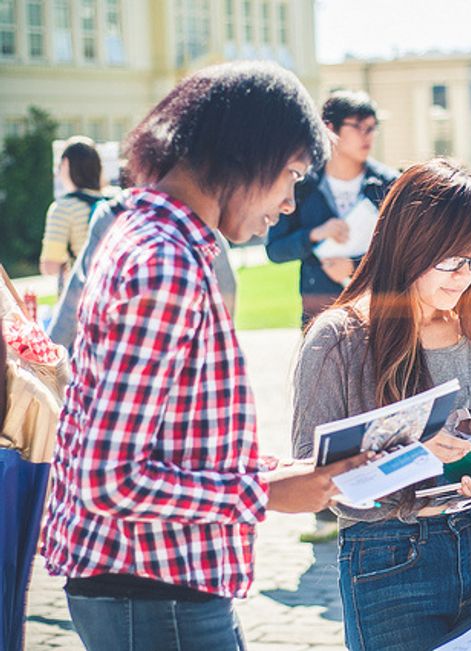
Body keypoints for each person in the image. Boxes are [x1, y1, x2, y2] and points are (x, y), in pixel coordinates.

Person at [40, 61, 369, 651]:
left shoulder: (162, 242)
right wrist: (264, 495)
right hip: (149, 587)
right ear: (244, 157)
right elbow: (109, 479)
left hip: (157, 583)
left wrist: (273, 473)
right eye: (291, 176)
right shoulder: (164, 263)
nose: (291, 203)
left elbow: (167, 440)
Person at [291, 158, 471, 651]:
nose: (466, 276)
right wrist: (417, 457)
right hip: (388, 559)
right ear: (409, 244)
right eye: (452, 261)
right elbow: (311, 476)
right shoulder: (338, 340)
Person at [46, 181, 238, 351]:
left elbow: (75, 296)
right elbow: (227, 286)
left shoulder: (114, 213)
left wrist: (51, 358)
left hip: (121, 355)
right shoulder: (196, 217)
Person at [266, 90, 398, 327]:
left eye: (371, 127)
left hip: (378, 311)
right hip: (319, 312)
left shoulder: (390, 184)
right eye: (358, 126)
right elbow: (275, 250)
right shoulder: (300, 185)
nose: (367, 136)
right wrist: (315, 234)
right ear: (329, 129)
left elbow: (404, 250)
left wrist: (355, 267)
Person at [39, 137, 105, 293]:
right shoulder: (115, 202)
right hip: (113, 292)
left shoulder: (63, 208)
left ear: (66, 164)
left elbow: (50, 266)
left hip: (82, 296)